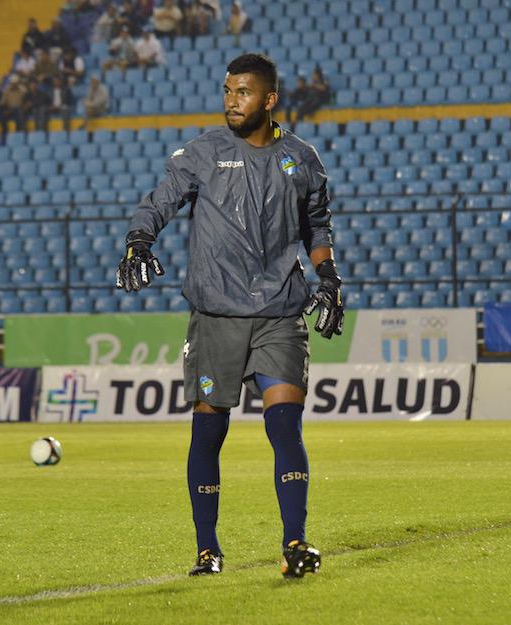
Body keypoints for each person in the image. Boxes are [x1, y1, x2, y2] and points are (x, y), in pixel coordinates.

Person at [115, 53, 343, 579]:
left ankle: (295, 542)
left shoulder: (301, 158)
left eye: (242, 92)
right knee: (208, 434)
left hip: (280, 312)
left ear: (269, 99)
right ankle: (207, 549)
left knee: (285, 425)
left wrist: (329, 277)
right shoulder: (203, 152)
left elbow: (317, 226)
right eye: (226, 91)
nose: (231, 101)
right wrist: (138, 240)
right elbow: (160, 200)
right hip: (216, 312)